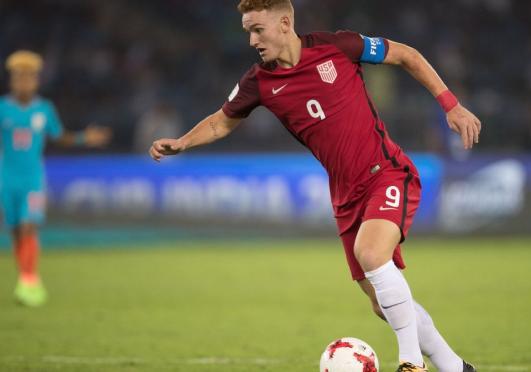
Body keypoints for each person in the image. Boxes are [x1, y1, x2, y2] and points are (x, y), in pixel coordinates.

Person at [149, 1, 481, 370]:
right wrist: (182, 142)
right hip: (344, 195)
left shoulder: (336, 46)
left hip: (385, 171)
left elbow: (406, 55)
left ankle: (410, 363)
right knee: (380, 302)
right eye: (248, 31)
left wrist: (451, 105)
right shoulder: (259, 82)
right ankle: (455, 367)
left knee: (372, 254)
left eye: (257, 29)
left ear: (285, 23)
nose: (251, 40)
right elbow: (220, 123)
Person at [1, 50, 112, 307]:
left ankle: (29, 281)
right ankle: (26, 277)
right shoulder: (3, 109)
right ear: (12, 80)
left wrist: (85, 138)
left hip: (32, 179)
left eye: (29, 78)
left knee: (30, 225)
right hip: (7, 180)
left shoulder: (44, 109)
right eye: (19, 78)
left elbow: (59, 135)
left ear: (36, 81)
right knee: (16, 231)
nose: (24, 83)